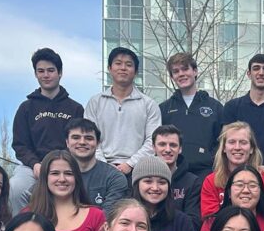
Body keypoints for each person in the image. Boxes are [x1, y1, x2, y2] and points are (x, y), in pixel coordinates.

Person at [10, 48, 85, 209]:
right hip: (33, 166)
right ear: (36, 74)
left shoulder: (76, 108)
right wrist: (36, 164)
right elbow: (20, 145)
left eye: (50, 70)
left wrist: (61, 164)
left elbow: (80, 142)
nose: (46, 75)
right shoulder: (26, 108)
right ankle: (21, 230)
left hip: (67, 164)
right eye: (41, 71)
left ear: (60, 73)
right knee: (15, 189)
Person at [25, 150, 105, 231]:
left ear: (76, 178)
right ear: (45, 178)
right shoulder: (28, 215)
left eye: (68, 173)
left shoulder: (96, 215)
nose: (62, 179)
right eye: (55, 173)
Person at [85, 47, 161, 177]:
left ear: (136, 71)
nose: (123, 68)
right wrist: (104, 164)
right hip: (99, 168)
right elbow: (88, 136)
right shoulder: (95, 102)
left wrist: (130, 164)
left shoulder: (149, 104)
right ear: (109, 68)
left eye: (129, 64)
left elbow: (152, 140)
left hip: (138, 171)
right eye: (118, 63)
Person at [159, 52, 224, 178]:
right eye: (176, 71)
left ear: (195, 71)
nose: (181, 74)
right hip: (173, 174)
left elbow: (222, 141)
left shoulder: (215, 107)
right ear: (172, 77)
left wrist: (212, 161)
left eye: (185, 69)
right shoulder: (164, 109)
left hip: (206, 173)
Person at [200, 122, 264, 218]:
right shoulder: (211, 181)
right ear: (224, 148)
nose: (237, 147)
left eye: (243, 142)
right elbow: (210, 221)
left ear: (251, 148)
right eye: (232, 142)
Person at [131, 155, 197, 231]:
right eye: (148, 181)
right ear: (137, 185)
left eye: (162, 182)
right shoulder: (125, 219)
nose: (155, 187)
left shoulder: (182, 222)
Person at [64, 118, 129, 214]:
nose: (82, 142)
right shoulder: (56, 176)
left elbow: (108, 218)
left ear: (98, 143)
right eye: (76, 137)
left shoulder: (114, 178)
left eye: (89, 138)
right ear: (67, 143)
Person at [152, 124, 202, 230]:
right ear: (153, 148)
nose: (168, 149)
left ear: (180, 149)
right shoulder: (143, 180)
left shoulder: (192, 182)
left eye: (173, 145)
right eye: (162, 144)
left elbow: (194, 223)